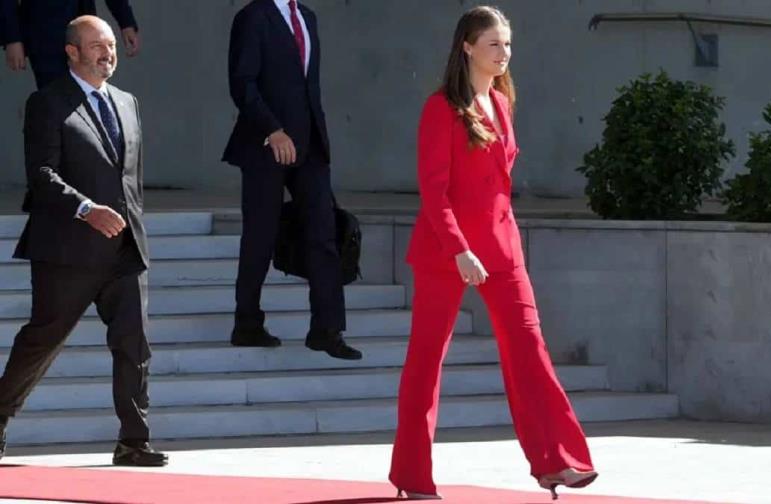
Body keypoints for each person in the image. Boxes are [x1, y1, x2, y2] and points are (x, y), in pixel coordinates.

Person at [388, 6, 597, 500]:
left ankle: (557, 462)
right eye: (493, 45)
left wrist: (495, 247)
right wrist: (459, 249)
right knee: (426, 363)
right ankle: (412, 477)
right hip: (446, 251)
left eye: (507, 45)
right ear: (467, 47)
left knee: (530, 350)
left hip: (503, 249)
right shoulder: (440, 108)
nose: (504, 55)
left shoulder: (502, 105)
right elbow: (434, 192)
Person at [0, 15, 166, 467]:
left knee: (134, 343)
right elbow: (41, 175)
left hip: (124, 248)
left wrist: (132, 227)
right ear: (72, 51)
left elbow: (130, 178)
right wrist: (85, 209)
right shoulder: (47, 102)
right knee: (43, 340)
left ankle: (134, 441)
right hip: (67, 250)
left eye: (110, 45)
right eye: (96, 46)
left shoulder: (128, 103)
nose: (107, 53)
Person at [223, 0, 361, 360]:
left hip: (311, 144)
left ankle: (327, 330)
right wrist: (273, 130)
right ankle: (247, 323)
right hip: (265, 144)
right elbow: (242, 82)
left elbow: (305, 85)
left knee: (324, 234)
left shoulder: (308, 18)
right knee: (260, 235)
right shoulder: (253, 17)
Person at [0, 0, 139, 88]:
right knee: (55, 100)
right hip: (45, 34)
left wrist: (125, 21)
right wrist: (13, 38)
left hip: (85, 29)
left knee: (89, 96)